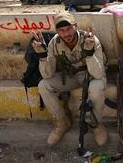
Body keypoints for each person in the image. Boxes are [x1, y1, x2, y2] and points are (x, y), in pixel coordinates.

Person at [32, 12, 108, 146]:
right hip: (70, 77)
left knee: (97, 87)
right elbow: (47, 75)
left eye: (68, 29)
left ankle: (95, 125)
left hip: (90, 75)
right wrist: (42, 56)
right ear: (57, 31)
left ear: (75, 26)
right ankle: (62, 122)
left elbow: (98, 74)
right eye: (61, 30)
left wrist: (89, 54)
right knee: (44, 86)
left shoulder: (90, 39)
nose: (66, 34)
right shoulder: (54, 43)